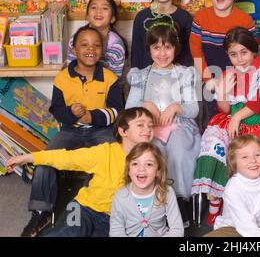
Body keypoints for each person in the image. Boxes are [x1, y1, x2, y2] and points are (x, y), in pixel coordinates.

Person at [13, 25, 124, 237]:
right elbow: (56, 109)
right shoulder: (63, 77)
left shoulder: (109, 78)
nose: (90, 49)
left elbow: (116, 111)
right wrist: (71, 113)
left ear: (102, 50)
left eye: (96, 45)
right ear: (74, 48)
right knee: (46, 159)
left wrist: (92, 116)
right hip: (70, 131)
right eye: (84, 44)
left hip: (100, 130)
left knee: (109, 159)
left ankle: (94, 209)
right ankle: (40, 212)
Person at [6, 107, 155, 237]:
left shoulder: (153, 160)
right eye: (140, 125)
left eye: (151, 126)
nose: (147, 129)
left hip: (114, 219)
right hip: (82, 207)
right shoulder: (104, 153)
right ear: (123, 131)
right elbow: (66, 157)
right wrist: (27, 157)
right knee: (70, 233)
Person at [191, 27, 260, 226]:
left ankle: (238, 206)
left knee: (244, 154)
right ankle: (216, 199)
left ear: (253, 50)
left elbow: (259, 101)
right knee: (215, 146)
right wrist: (223, 92)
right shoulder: (229, 73)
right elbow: (224, 108)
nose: (240, 59)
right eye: (233, 54)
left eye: (244, 52)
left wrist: (238, 117)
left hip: (254, 124)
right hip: (231, 121)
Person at [126, 14, 201, 228]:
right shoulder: (141, 76)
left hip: (178, 125)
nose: (162, 53)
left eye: (167, 47)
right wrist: (145, 107)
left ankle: (179, 199)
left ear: (175, 48)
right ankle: (156, 200)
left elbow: (193, 108)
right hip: (151, 128)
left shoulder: (184, 74)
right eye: (156, 48)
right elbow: (128, 110)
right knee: (152, 151)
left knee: (179, 150)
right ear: (149, 49)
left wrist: (177, 106)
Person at [189, 0, 255, 131]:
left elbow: (249, 55)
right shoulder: (201, 17)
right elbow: (196, 51)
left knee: (234, 115)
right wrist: (208, 79)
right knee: (209, 117)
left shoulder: (245, 20)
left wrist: (235, 79)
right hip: (208, 75)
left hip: (236, 76)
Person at [204, 135, 260, 237]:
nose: (253, 160)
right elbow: (244, 222)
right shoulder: (232, 188)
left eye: (258, 155)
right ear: (234, 163)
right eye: (245, 157)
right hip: (232, 228)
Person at [109, 142, 184, 237]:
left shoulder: (167, 192)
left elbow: (177, 229)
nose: (141, 169)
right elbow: (116, 230)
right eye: (135, 163)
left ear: (158, 171)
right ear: (128, 170)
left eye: (149, 164)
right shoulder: (120, 196)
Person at [131, 0, 193, 69]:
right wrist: (136, 79)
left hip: (176, 78)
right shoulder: (141, 17)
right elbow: (137, 53)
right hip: (147, 78)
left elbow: (188, 53)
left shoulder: (185, 18)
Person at [66, 0, 127, 78]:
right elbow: (70, 69)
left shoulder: (116, 45)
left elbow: (115, 79)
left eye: (105, 8)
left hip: (106, 88)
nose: (98, 11)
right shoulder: (76, 39)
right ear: (87, 16)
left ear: (112, 18)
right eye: (94, 7)